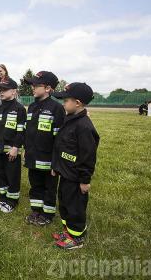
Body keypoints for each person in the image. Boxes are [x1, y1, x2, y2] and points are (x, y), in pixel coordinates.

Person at [51, 83, 100, 249]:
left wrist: (84, 180)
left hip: (76, 178)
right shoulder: (69, 120)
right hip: (65, 174)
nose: (63, 103)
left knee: (75, 209)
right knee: (64, 204)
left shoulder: (84, 127)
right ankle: (68, 231)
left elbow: (88, 157)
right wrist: (56, 166)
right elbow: (61, 146)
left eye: (66, 100)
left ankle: (77, 238)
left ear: (77, 103)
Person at [23, 71, 65, 226]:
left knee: (49, 188)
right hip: (33, 157)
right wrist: (26, 149)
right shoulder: (32, 107)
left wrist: (56, 162)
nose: (32, 88)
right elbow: (29, 131)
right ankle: (36, 210)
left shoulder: (57, 108)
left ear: (48, 88)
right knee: (35, 185)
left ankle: (47, 214)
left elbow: (59, 139)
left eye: (36, 85)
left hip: (48, 160)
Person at [0, 78, 26, 213]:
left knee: (12, 176)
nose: (1, 92)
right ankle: (3, 198)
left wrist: (16, 147)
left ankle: (12, 201)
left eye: (4, 90)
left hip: (11, 151)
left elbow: (21, 131)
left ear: (14, 91)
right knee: (0, 174)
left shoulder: (19, 109)